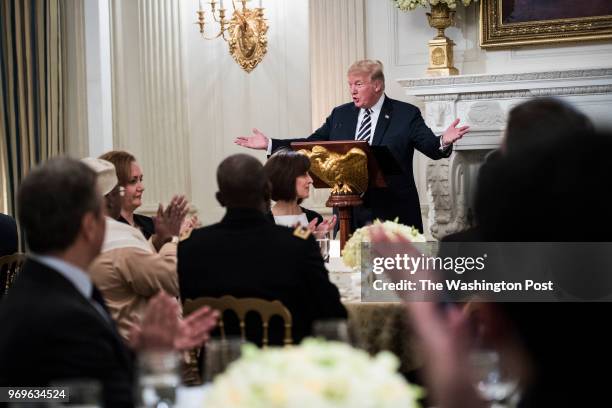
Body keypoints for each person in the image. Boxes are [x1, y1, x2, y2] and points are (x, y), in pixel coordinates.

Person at [0, 157, 218, 407]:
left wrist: (141, 354)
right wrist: (155, 365)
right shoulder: (63, 314)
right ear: (89, 226)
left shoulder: (43, 287)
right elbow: (18, 394)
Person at [235, 59, 469, 232]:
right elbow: (311, 143)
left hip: (393, 212)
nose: (352, 90)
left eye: (358, 84)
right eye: (350, 85)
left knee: (391, 284)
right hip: (349, 212)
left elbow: (431, 147)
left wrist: (444, 140)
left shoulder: (405, 114)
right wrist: (271, 144)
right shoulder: (341, 114)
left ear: (377, 85)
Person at [178, 154, 347, 345]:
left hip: (219, 366)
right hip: (284, 365)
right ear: (267, 191)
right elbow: (332, 311)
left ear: (220, 198)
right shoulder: (297, 244)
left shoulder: (189, 246)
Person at [84, 158, 180, 342]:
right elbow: (171, 281)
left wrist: (156, 243)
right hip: (133, 349)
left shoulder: (74, 236)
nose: (141, 187)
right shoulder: (119, 238)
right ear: (110, 199)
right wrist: (171, 240)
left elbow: (132, 266)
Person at [99, 150, 192, 251]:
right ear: (114, 188)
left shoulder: (149, 223)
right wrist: (168, 239)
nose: (141, 187)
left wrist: (184, 235)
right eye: (133, 181)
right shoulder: (109, 229)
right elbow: (137, 262)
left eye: (141, 180)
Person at [263, 149, 337, 234]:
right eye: (303, 174)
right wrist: (306, 238)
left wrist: (318, 238)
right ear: (285, 178)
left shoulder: (314, 218)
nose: (311, 180)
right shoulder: (263, 223)